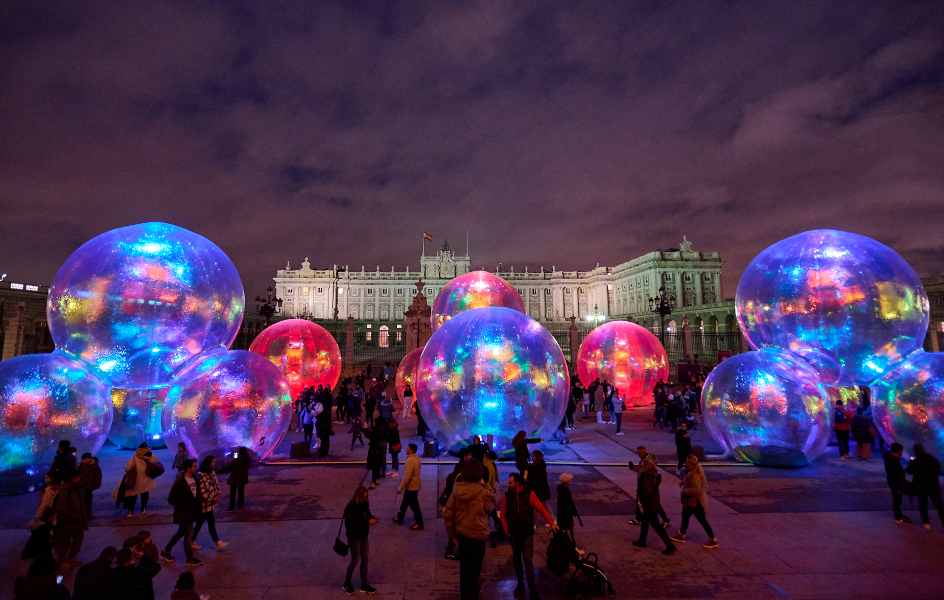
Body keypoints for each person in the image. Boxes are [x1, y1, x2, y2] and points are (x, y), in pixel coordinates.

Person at [444, 459, 496, 600]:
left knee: (464, 571)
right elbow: (492, 505)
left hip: (462, 536)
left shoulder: (457, 489)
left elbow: (448, 513)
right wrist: (485, 484)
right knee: (474, 574)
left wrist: (452, 534)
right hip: (477, 537)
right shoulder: (483, 492)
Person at [501, 472, 557, 600]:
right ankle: (521, 584)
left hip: (526, 535)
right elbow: (503, 514)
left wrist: (551, 523)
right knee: (517, 561)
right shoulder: (507, 496)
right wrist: (506, 531)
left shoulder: (529, 494)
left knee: (527, 561)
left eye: (510, 482)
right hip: (514, 535)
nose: (508, 484)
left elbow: (541, 509)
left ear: (517, 483)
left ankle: (532, 588)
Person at [669, 455, 719, 548]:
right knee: (685, 517)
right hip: (691, 502)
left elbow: (696, 490)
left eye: (686, 461)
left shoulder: (695, 475)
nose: (685, 462)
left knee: (701, 520)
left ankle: (713, 540)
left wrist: (684, 491)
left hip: (694, 502)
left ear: (690, 463)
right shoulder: (692, 472)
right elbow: (690, 482)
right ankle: (681, 535)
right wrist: (683, 482)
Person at [162, 458, 203, 566]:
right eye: (194, 466)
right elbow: (171, 499)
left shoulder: (195, 478)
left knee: (182, 532)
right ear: (188, 468)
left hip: (192, 512)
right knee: (189, 534)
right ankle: (189, 558)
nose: (196, 467)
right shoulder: (180, 483)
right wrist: (187, 502)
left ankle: (166, 551)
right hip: (184, 513)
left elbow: (197, 495)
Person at [632, 459, 676, 555]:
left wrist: (640, 499)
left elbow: (647, 492)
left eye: (642, 467)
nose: (641, 468)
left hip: (649, 504)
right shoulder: (652, 475)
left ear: (646, 468)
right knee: (644, 522)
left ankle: (669, 545)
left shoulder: (648, 478)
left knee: (656, 525)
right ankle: (642, 540)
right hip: (652, 503)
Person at [343, 486, 378, 594]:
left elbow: (367, 514)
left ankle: (364, 585)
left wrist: (372, 518)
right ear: (357, 496)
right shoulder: (350, 508)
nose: (364, 500)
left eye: (366, 497)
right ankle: (347, 583)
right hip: (354, 539)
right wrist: (367, 522)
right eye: (362, 498)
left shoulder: (364, 504)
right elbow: (351, 525)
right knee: (355, 561)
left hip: (363, 536)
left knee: (365, 560)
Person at [627, 446, 670, 528]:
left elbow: (643, 472)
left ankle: (665, 520)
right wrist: (634, 468)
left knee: (653, 504)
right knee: (640, 501)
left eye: (639, 452)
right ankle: (639, 519)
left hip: (646, 485)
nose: (638, 454)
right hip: (645, 484)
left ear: (644, 452)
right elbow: (641, 470)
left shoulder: (647, 461)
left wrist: (637, 470)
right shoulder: (646, 459)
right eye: (637, 452)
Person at [114, 442, 160, 517]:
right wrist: (150, 454)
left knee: (133, 495)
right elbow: (156, 461)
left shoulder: (134, 458)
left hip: (136, 480)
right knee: (145, 494)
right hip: (146, 480)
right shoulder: (150, 456)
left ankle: (130, 511)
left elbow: (127, 468)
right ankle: (143, 509)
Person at [54, 469, 88, 569]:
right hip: (68, 522)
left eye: (79, 477)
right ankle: (62, 562)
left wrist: (83, 512)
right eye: (76, 477)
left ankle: (71, 557)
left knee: (78, 539)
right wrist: (73, 516)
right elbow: (61, 508)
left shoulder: (77, 488)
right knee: (65, 542)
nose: (78, 479)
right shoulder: (65, 490)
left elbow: (80, 503)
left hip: (78, 520)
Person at [193, 456, 228, 551]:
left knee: (201, 522)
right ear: (208, 463)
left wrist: (217, 496)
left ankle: (191, 541)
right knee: (210, 522)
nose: (215, 463)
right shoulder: (201, 476)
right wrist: (212, 498)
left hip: (210, 504)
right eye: (213, 462)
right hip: (205, 504)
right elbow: (202, 492)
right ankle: (217, 542)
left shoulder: (212, 473)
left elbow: (216, 485)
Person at [906, 443, 944, 530]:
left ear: (915, 451)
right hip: (934, 487)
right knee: (940, 507)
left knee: (923, 505)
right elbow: (938, 469)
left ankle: (926, 523)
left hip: (921, 487)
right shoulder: (933, 460)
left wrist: (911, 462)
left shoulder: (915, 461)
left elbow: (910, 471)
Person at [442, 449, 470, 560]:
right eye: (469, 455)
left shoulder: (461, 467)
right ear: (464, 457)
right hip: (459, 503)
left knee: (458, 528)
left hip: (458, 502)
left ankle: (453, 548)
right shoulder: (461, 471)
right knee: (457, 528)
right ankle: (450, 550)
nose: (470, 456)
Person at [394, 443, 424, 529]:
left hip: (412, 487)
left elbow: (407, 476)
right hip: (413, 486)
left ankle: (419, 523)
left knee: (414, 506)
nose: (406, 449)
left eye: (407, 448)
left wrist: (400, 488)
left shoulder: (411, 461)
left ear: (411, 450)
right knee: (405, 503)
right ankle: (400, 517)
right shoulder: (416, 459)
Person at [884, 443, 912, 524]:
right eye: (901, 450)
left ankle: (899, 515)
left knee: (897, 499)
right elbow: (897, 475)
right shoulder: (894, 462)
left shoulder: (890, 456)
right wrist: (899, 488)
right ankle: (898, 517)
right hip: (895, 483)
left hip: (893, 481)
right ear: (899, 450)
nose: (902, 452)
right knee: (897, 499)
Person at [526, 450, 553, 524]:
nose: (532, 457)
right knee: (546, 505)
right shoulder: (541, 466)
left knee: (536, 508)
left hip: (539, 492)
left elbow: (535, 481)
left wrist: (528, 483)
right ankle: (552, 520)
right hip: (543, 491)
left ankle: (535, 524)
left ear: (538, 457)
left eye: (534, 455)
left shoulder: (537, 468)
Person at [556, 473, 580, 548]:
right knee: (568, 532)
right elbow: (566, 505)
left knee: (565, 531)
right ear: (566, 482)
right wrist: (572, 512)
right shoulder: (565, 492)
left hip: (562, 516)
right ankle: (571, 547)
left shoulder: (562, 490)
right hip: (565, 517)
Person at [226, 446, 250, 512]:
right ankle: (240, 506)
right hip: (243, 478)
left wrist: (235, 459)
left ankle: (231, 507)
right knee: (241, 492)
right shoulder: (248, 458)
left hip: (235, 478)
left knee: (233, 493)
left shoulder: (237, 460)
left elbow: (231, 467)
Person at [78, 452, 102, 519]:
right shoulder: (80, 466)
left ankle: (89, 513)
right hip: (82, 486)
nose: (87, 460)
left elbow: (98, 476)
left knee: (88, 500)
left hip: (89, 487)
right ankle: (83, 513)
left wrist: (97, 484)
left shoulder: (95, 467)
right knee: (82, 500)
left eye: (88, 458)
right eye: (85, 459)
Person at [365, 421, 386, 489]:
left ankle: (373, 484)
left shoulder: (374, 434)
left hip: (374, 452)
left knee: (374, 468)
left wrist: (366, 428)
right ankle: (377, 481)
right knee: (378, 466)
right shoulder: (381, 431)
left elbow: (368, 435)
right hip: (379, 451)